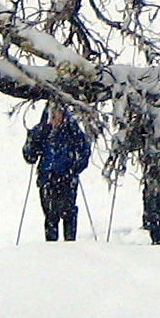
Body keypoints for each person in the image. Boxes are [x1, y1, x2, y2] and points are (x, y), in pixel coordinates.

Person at [22, 103, 94, 241]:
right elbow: (29, 156)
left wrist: (75, 167)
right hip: (47, 178)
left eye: (57, 114)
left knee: (68, 212)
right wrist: (34, 138)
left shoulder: (72, 130)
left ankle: (70, 242)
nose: (54, 118)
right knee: (50, 214)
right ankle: (52, 247)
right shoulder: (42, 131)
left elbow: (84, 150)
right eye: (52, 114)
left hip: (66, 176)